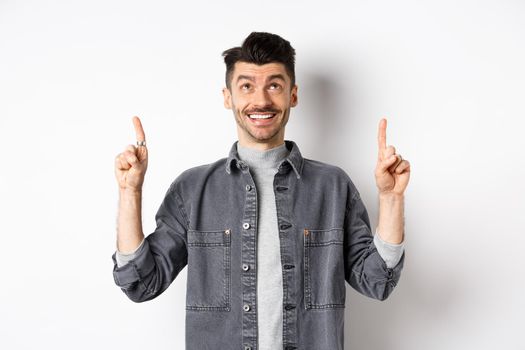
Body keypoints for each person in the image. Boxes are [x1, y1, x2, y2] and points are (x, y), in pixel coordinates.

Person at [112, 31, 410, 350]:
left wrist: (391, 199)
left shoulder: (332, 186)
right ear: (228, 97)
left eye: (274, 85)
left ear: (292, 95)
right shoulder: (192, 189)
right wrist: (130, 192)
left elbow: (378, 281)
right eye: (246, 86)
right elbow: (141, 283)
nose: (261, 101)